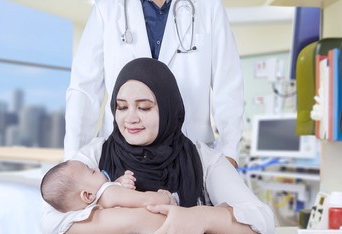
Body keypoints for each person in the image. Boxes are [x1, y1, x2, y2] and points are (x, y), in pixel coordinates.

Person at [42, 58, 274, 234]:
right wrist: (139, 221)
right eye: (121, 107)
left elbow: (262, 218)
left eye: (144, 108)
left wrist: (200, 218)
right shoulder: (96, 153)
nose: (130, 118)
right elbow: (51, 221)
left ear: (168, 108)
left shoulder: (203, 159)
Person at [64, 0, 244, 168]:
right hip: (120, 152)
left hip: (190, 151)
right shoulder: (107, 7)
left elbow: (228, 85)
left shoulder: (208, 6)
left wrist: (229, 150)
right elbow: (84, 89)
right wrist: (74, 158)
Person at [40, 160, 235, 234]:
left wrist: (118, 183)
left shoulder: (91, 209)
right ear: (87, 196)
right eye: (92, 171)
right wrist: (164, 197)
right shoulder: (108, 193)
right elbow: (143, 200)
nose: (98, 170)